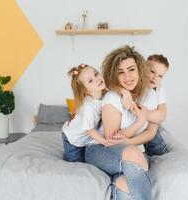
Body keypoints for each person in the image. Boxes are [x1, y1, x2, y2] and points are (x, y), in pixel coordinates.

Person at [85, 45, 160, 200]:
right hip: (101, 149)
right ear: (115, 76)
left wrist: (131, 140)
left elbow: (151, 132)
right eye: (121, 73)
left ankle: (118, 182)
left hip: (135, 151)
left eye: (131, 70)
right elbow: (112, 140)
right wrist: (139, 122)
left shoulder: (151, 95)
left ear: (139, 69)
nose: (127, 77)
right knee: (133, 155)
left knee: (125, 183)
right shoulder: (112, 97)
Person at [119, 54, 170, 156]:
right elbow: (110, 84)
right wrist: (124, 92)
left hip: (151, 134)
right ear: (142, 68)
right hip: (135, 128)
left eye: (160, 76)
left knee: (157, 149)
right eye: (152, 72)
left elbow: (162, 115)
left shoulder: (157, 91)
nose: (155, 77)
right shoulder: (131, 81)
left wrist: (145, 114)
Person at [62, 64, 109, 162]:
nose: (97, 79)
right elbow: (89, 130)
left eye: (96, 74)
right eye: (90, 81)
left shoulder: (104, 94)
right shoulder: (89, 107)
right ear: (85, 90)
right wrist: (105, 142)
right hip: (73, 138)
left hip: (85, 138)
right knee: (75, 163)